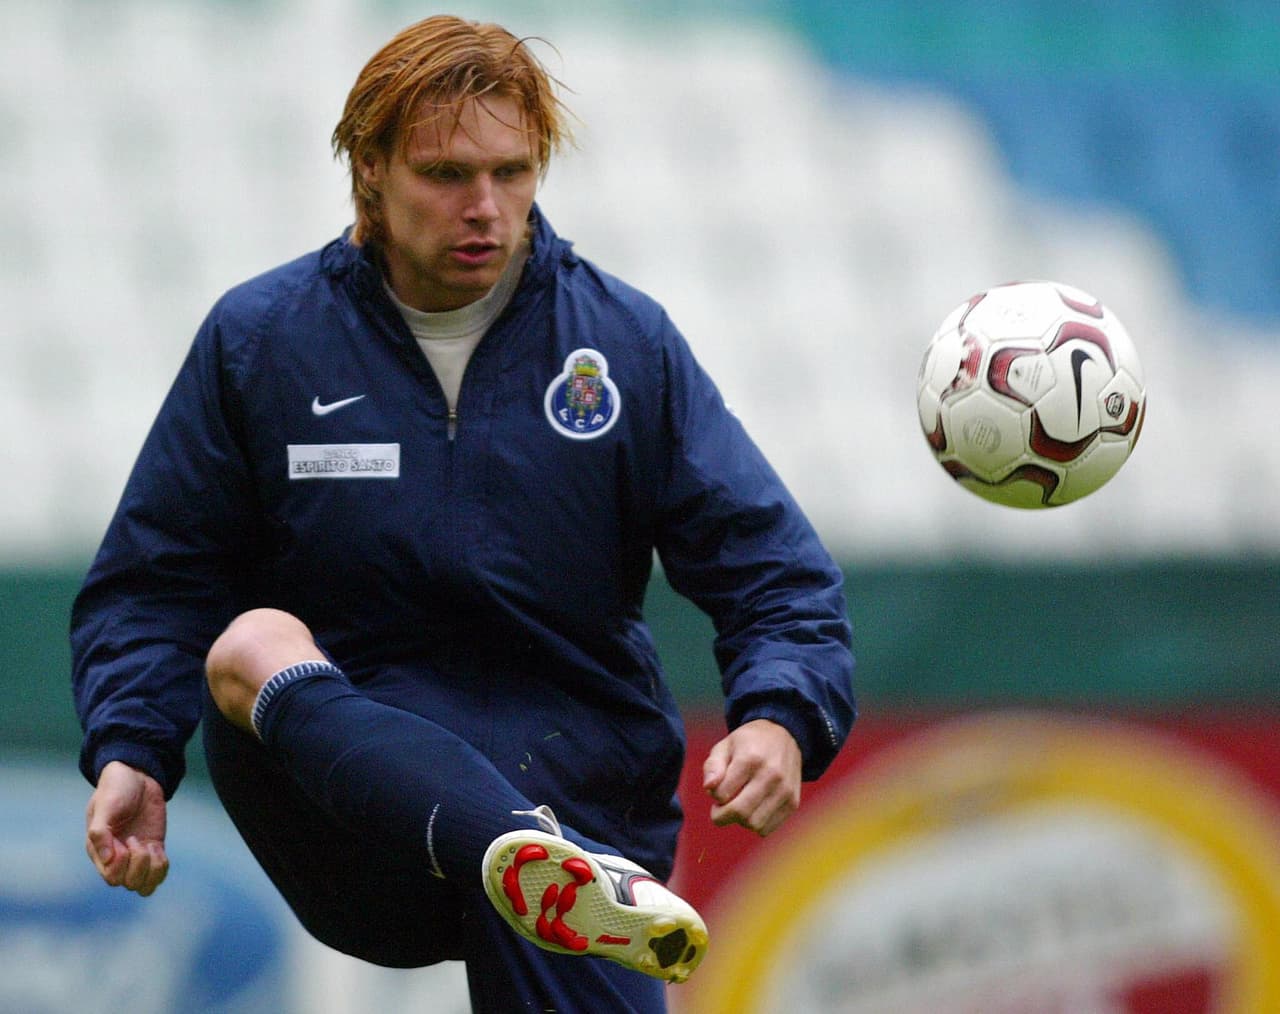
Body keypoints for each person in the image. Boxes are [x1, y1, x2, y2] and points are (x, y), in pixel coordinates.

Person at [71, 14, 855, 1013]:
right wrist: (132, 746)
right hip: (350, 817)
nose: (485, 206)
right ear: (369, 168)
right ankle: (518, 854)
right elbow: (155, 579)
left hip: (575, 788)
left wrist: (778, 714)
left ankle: (531, 863)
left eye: (512, 171)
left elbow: (771, 570)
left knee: (554, 871)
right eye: (446, 175)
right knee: (251, 642)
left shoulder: (622, 345)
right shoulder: (261, 342)